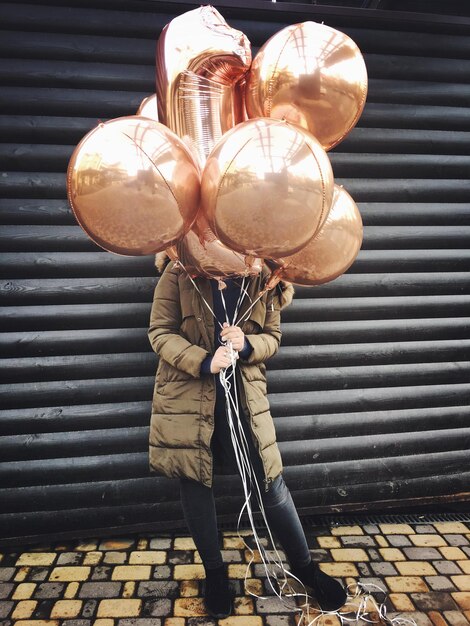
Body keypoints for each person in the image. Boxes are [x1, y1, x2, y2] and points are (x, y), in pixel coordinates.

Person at [148, 253, 347, 619]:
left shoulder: (265, 277)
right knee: (194, 481)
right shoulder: (179, 271)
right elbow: (159, 332)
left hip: (245, 400)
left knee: (271, 482)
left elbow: (273, 337)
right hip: (189, 397)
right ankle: (215, 573)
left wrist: (248, 344)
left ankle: (306, 571)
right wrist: (203, 360)